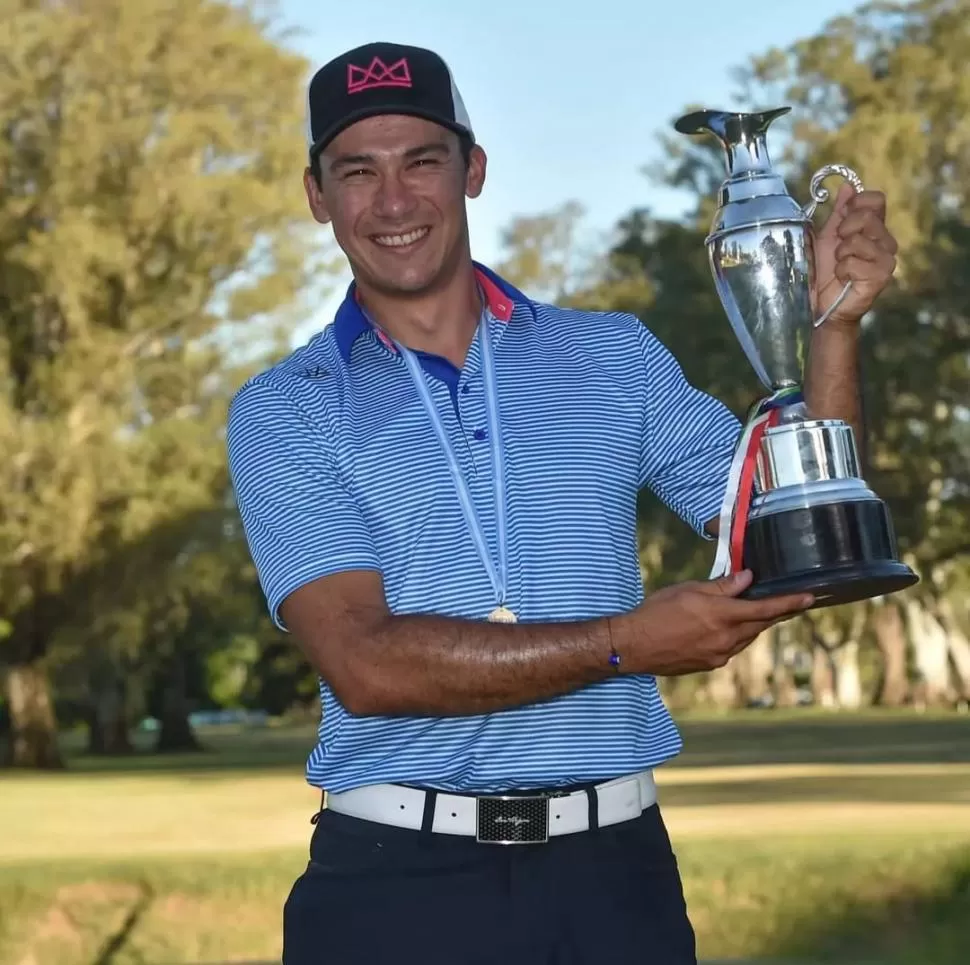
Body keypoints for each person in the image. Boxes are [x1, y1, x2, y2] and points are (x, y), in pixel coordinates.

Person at [226, 41, 899, 965]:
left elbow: (798, 535)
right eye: (358, 171)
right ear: (317, 195)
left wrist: (830, 329)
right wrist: (624, 642)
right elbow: (365, 663)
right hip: (395, 888)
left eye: (422, 160)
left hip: (616, 879)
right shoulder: (286, 405)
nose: (393, 201)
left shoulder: (613, 357)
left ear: (474, 169)